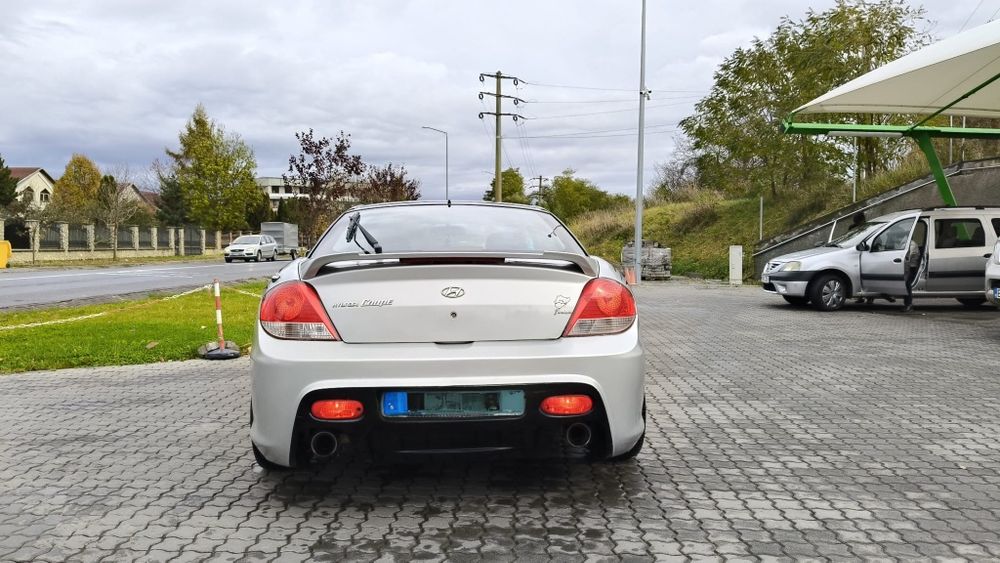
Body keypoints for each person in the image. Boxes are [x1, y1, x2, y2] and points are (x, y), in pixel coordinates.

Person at [902, 235, 921, 313]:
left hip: (911, 268)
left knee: (907, 285)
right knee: (905, 285)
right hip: (908, 267)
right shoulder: (907, 243)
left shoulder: (912, 245)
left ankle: (909, 305)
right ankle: (908, 304)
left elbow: (908, 257)